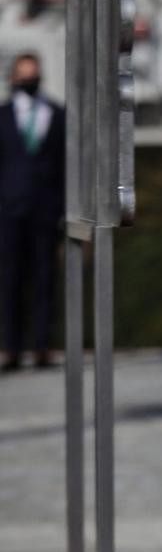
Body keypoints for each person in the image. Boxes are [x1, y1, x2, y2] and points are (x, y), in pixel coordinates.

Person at [0, 53, 66, 372]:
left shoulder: (57, 114)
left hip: (45, 211)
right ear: (13, 77)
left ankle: (42, 346)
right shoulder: (1, 115)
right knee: (10, 280)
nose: (28, 79)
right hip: (8, 211)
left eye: (33, 73)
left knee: (45, 279)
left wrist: (64, 209)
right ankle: (11, 348)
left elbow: (65, 166)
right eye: (23, 74)